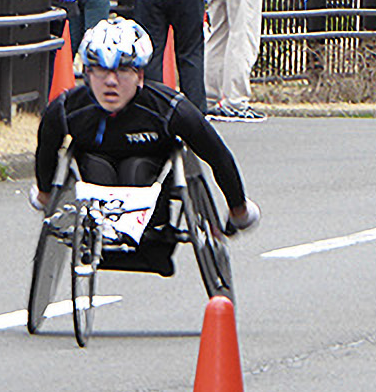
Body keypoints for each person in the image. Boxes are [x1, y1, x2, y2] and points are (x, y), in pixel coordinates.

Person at [32, 17, 260, 276]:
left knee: (136, 169)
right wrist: (45, 193)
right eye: (101, 71)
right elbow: (46, 151)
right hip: (94, 192)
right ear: (87, 73)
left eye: (122, 72)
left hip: (151, 196)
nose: (110, 82)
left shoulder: (169, 108)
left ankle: (148, 239)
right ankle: (99, 232)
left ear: (140, 75)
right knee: (97, 168)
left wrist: (237, 207)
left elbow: (217, 155)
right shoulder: (65, 110)